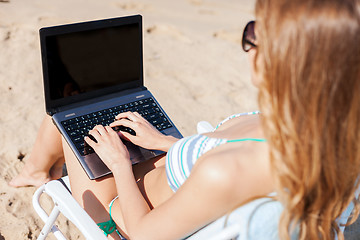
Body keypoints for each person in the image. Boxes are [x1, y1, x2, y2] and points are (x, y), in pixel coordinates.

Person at [10, 0, 360, 239]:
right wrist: (167, 144)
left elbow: (144, 233)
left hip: (122, 209)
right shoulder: (324, 138)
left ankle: (37, 172)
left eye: (256, 32)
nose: (249, 41)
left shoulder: (226, 172)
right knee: (89, 105)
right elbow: (229, 157)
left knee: (69, 109)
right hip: (159, 173)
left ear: (279, 60)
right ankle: (40, 169)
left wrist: (118, 163)